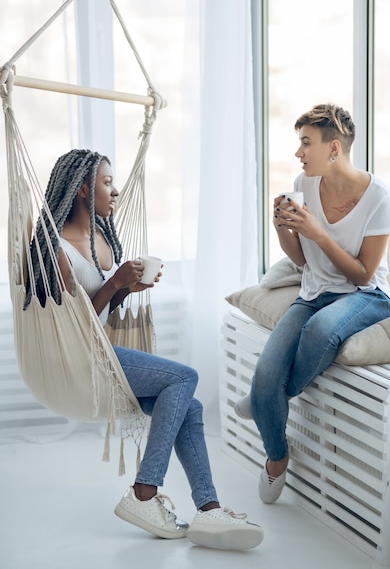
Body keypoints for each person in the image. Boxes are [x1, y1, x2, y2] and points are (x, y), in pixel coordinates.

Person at [27, 148, 263, 551]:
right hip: (79, 361)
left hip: (99, 352)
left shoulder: (99, 239)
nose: (115, 191)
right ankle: (143, 493)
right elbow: (75, 328)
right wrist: (115, 284)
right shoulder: (57, 251)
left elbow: (98, 310)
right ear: (83, 190)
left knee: (190, 405)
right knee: (185, 378)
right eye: (106, 183)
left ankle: (208, 509)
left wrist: (123, 289)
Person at [234, 103, 390, 504]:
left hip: (365, 297)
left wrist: (319, 231)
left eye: (306, 143)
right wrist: (282, 227)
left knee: (319, 332)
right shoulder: (304, 184)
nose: (298, 153)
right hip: (314, 294)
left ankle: (264, 399)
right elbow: (303, 260)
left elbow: (362, 274)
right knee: (267, 366)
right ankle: (277, 456)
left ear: (334, 148)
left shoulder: (378, 198)